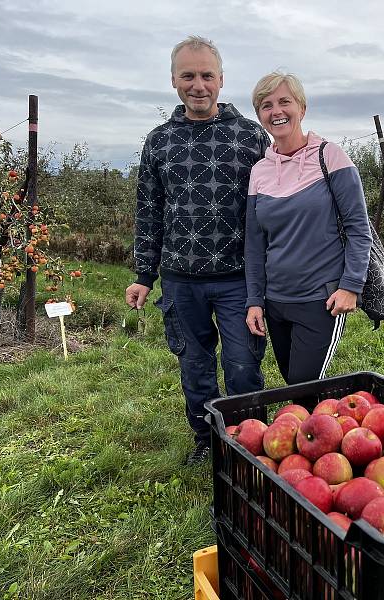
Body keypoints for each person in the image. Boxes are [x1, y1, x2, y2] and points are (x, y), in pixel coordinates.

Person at [126, 36, 269, 463]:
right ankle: (206, 441)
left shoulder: (250, 137)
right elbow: (148, 210)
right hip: (179, 281)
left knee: (243, 367)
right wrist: (143, 275)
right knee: (195, 368)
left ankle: (249, 444)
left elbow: (272, 209)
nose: (198, 84)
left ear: (221, 80)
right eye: (188, 75)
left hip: (238, 280)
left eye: (207, 75)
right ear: (174, 80)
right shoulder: (159, 141)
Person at [245, 72, 372, 385]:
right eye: (266, 105)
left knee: (304, 385)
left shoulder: (330, 156)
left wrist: (351, 286)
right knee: (294, 383)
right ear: (259, 115)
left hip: (320, 300)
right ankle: (326, 428)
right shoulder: (260, 171)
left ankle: (335, 427)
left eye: (284, 102)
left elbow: (358, 228)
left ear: (301, 108)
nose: (276, 111)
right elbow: (254, 243)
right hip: (276, 302)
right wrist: (254, 301)